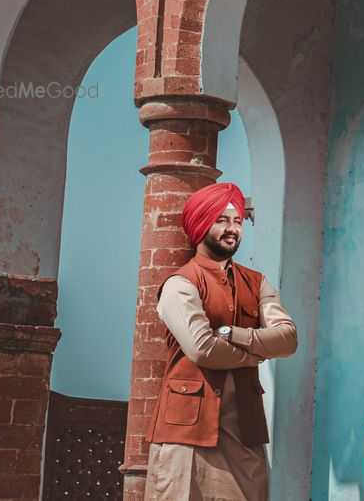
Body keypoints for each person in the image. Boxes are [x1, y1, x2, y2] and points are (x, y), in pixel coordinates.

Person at [144, 181, 298, 501]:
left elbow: (287, 338)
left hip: (244, 431)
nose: (232, 229)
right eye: (222, 220)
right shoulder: (180, 284)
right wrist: (255, 354)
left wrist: (234, 334)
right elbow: (203, 349)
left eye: (237, 221)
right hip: (186, 432)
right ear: (201, 225)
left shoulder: (256, 283)